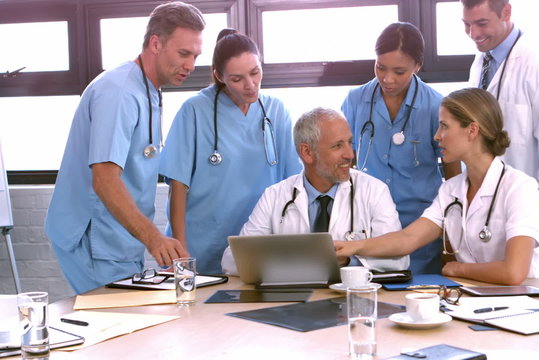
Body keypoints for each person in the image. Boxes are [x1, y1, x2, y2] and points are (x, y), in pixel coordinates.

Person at [45, 1, 205, 294]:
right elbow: (104, 180)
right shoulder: (119, 92)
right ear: (155, 43)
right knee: (117, 330)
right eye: (184, 54)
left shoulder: (149, 90)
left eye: (195, 56)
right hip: (93, 238)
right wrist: (155, 239)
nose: (191, 66)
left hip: (121, 241)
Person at [336, 88, 539, 285]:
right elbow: (408, 238)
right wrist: (352, 247)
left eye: (444, 126)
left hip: (526, 304)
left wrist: (458, 269)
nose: (436, 136)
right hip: (476, 299)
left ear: (472, 130)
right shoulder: (451, 190)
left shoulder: (520, 189)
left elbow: (514, 272)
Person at [160, 29, 301, 274]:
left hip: (258, 243)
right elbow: (178, 185)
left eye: (255, 73)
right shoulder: (194, 111)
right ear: (219, 75)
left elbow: (293, 184)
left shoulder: (276, 111)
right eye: (237, 79)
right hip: (202, 244)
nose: (250, 85)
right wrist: (181, 254)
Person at [221, 107, 409, 275]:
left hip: (351, 299)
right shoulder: (275, 196)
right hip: (293, 303)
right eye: (337, 146)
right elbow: (231, 260)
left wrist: (350, 259)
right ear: (307, 153)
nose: (350, 154)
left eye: (349, 142)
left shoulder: (374, 191)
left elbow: (399, 260)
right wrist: (301, 261)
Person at [342, 22, 461, 275]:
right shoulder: (355, 101)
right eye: (380, 67)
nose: (387, 79)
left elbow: (453, 174)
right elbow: (345, 164)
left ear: (417, 66)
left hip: (419, 230)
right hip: (366, 228)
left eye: (399, 71)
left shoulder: (436, 106)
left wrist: (453, 233)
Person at [461, 0, 539, 251]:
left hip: (527, 222)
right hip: (487, 214)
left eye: (481, 23)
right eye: (467, 24)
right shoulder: (481, 63)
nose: (474, 34)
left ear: (506, 12)